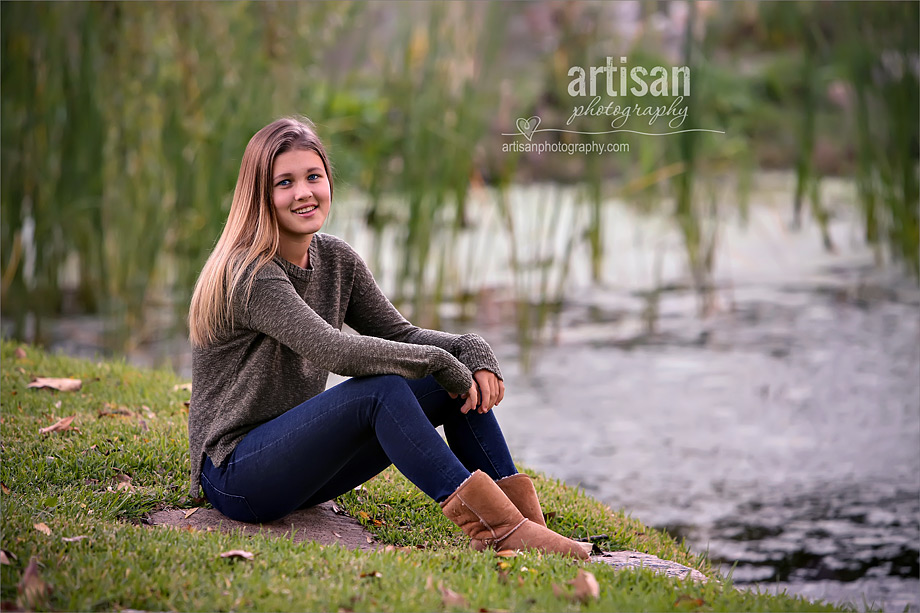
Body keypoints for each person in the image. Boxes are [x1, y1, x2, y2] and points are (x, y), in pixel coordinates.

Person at [186, 116, 589, 559]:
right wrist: (440, 361)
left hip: (301, 469)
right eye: (285, 182)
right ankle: (496, 528)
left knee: (444, 387)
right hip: (237, 477)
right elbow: (334, 348)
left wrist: (470, 348)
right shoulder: (251, 275)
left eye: (313, 177)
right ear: (260, 196)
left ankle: (524, 524)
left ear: (328, 183)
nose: (303, 192)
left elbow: (403, 335)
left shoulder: (337, 259)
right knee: (382, 391)